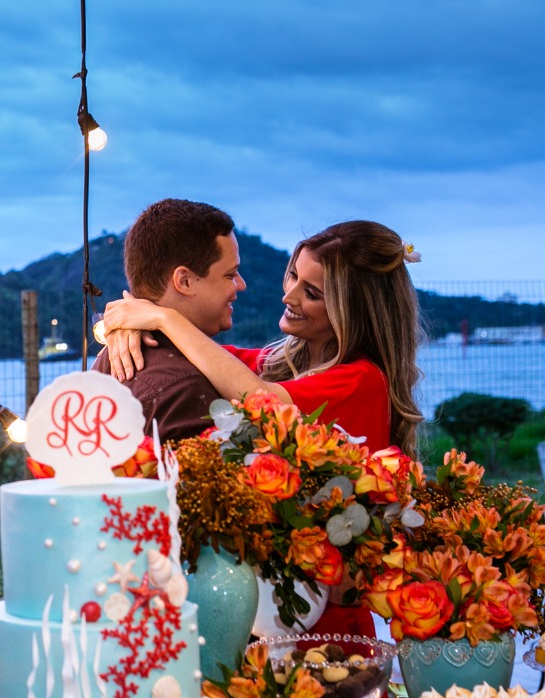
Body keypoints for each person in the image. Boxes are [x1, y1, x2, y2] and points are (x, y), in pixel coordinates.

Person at [102, 219, 424, 639]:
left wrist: (161, 317)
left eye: (311, 293)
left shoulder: (362, 380)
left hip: (323, 621)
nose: (288, 295)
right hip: (271, 608)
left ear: (351, 313)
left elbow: (264, 402)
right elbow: (207, 358)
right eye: (293, 274)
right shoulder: (282, 363)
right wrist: (127, 323)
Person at [89, 198, 246, 441]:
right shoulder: (186, 389)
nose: (241, 285)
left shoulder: (104, 362)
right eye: (230, 274)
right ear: (184, 281)